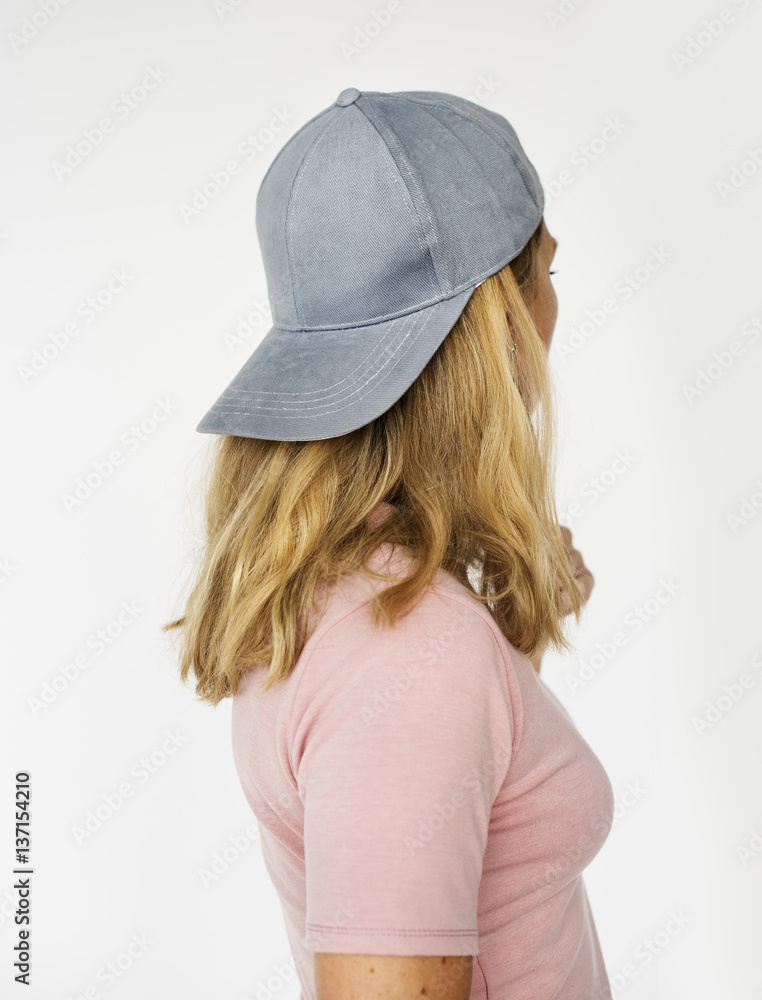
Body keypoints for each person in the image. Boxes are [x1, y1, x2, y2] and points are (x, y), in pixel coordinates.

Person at [164, 87, 612, 1000]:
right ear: (501, 320)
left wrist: (500, 640)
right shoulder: (410, 648)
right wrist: (463, 648)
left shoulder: (362, 597)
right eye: (546, 277)